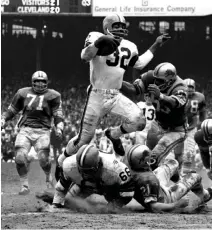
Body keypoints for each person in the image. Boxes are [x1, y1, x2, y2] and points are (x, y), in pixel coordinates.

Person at [59, 13, 170, 166]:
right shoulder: (95, 36)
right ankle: (61, 160)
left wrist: (156, 44)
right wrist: (99, 42)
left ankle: (113, 134)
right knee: (84, 139)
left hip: (115, 95)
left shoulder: (130, 45)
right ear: (107, 27)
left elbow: (140, 64)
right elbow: (85, 56)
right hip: (96, 95)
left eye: (123, 26)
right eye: (116, 26)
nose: (121, 29)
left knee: (139, 122)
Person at [1, 71, 64, 195]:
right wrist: (3, 120)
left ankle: (48, 176)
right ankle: (24, 185)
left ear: (46, 83)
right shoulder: (22, 93)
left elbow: (58, 114)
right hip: (25, 129)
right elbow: (12, 110)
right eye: (37, 81)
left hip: (43, 130)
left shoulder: (54, 95)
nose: (40, 84)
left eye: (42, 82)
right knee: (19, 157)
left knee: (43, 159)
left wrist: (59, 127)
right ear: (33, 82)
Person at [120, 62, 188, 173]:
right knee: (146, 152)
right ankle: (151, 178)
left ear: (170, 80)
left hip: (176, 128)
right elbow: (135, 89)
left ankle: (176, 177)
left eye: (160, 81)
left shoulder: (180, 86)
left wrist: (160, 96)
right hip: (158, 123)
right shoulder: (151, 77)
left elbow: (175, 103)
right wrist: (117, 82)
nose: (156, 82)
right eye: (155, 79)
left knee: (155, 155)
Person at [120, 144, 212, 213]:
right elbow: (153, 206)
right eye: (146, 159)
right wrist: (175, 205)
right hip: (165, 198)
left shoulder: (128, 165)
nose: (149, 159)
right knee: (195, 176)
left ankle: (180, 182)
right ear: (140, 162)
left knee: (172, 163)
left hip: (155, 186)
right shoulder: (148, 180)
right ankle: (206, 195)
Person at [47, 144, 134, 211]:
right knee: (70, 204)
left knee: (111, 206)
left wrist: (114, 205)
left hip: (109, 187)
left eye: (88, 171)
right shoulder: (69, 165)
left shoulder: (116, 169)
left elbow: (128, 192)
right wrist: (56, 204)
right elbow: (61, 187)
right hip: (85, 185)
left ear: (98, 165)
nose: (85, 174)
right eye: (82, 170)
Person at [175, 78, 206, 178]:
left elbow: (202, 112)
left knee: (189, 151)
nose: (189, 89)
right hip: (178, 127)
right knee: (177, 152)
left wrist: (202, 124)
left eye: (191, 87)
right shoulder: (177, 95)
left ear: (195, 88)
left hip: (191, 128)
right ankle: (177, 170)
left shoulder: (200, 97)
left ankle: (185, 173)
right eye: (187, 87)